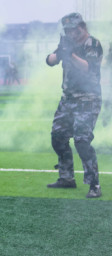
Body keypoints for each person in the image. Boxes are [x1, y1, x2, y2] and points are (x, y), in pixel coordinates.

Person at [45, 13, 103, 198]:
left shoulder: (92, 44)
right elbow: (50, 61)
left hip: (88, 99)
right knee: (57, 137)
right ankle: (66, 177)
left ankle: (94, 184)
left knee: (82, 141)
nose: (71, 33)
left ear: (82, 27)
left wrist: (70, 54)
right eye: (68, 30)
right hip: (68, 99)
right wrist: (59, 52)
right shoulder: (67, 43)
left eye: (74, 30)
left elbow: (88, 68)